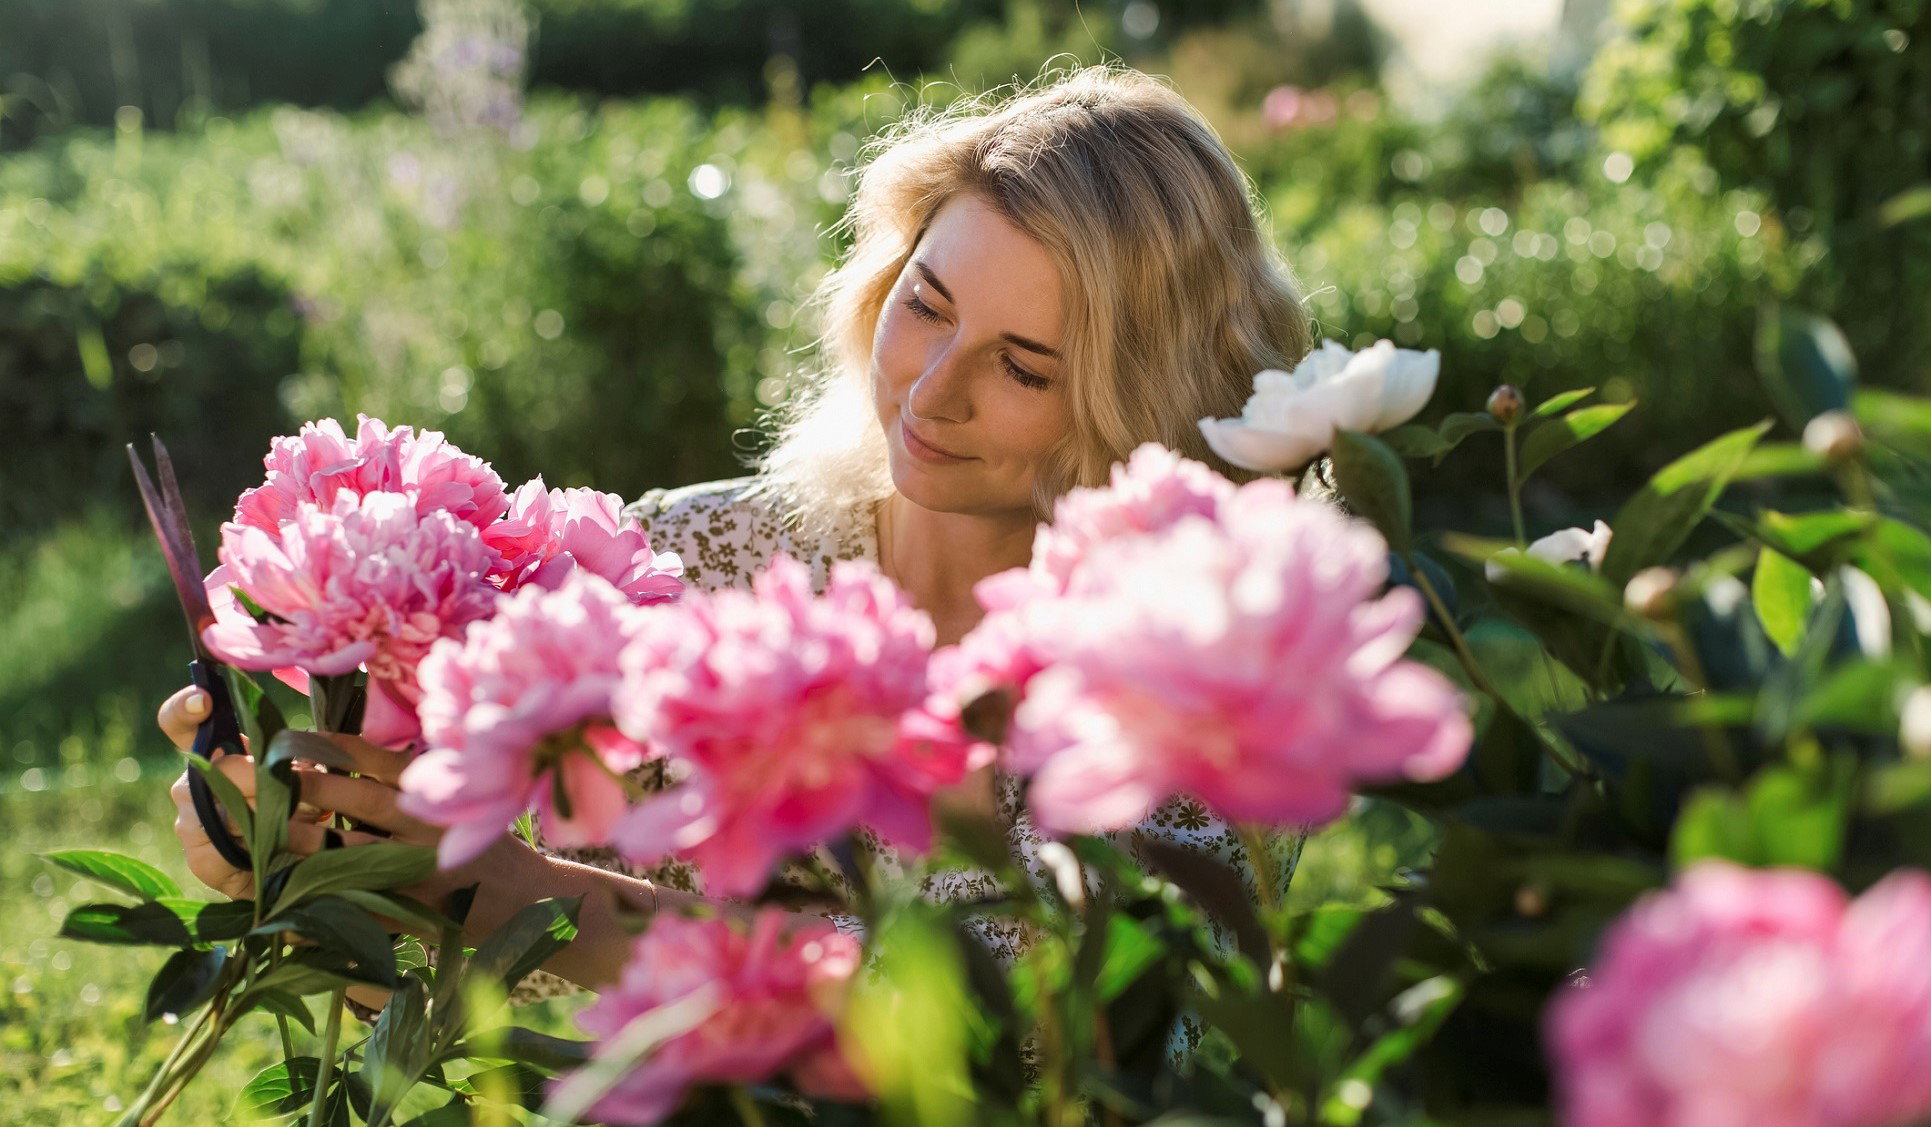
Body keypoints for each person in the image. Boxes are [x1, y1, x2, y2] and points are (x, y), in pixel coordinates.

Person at [157, 64, 1320, 1042]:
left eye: (1021, 367)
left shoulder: (1194, 697)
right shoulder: (688, 556)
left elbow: (1000, 1007)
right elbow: (443, 962)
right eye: (925, 302)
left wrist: (533, 900)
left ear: (1136, 401)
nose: (929, 387)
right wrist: (317, 838)